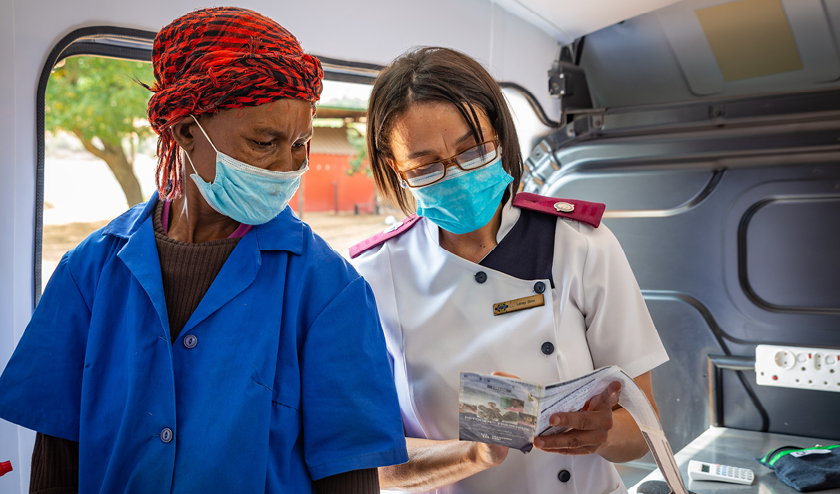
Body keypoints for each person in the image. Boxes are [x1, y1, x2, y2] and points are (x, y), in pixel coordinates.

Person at [0, 8, 407, 493]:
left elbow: (349, 478)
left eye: (301, 144)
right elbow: (57, 462)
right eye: (264, 142)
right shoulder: (88, 272)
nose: (286, 167)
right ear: (186, 132)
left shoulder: (328, 292)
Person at [350, 47, 669, 494]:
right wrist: (474, 453)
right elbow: (369, 464)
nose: (455, 175)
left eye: (472, 150)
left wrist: (602, 433)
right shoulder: (370, 277)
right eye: (425, 167)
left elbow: (642, 431)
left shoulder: (579, 245)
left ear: (500, 136)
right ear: (393, 169)